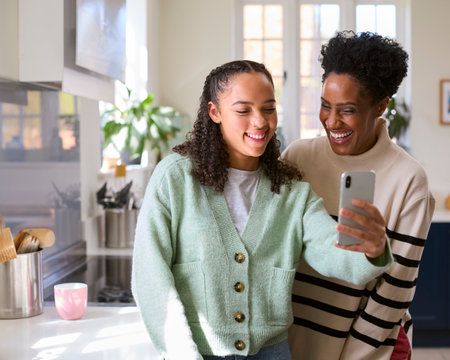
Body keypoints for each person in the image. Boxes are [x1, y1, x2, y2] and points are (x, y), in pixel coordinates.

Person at [131, 59, 392, 359]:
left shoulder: (292, 192)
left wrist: (371, 250)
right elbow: (150, 277)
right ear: (214, 112)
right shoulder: (175, 178)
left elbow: (332, 252)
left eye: (268, 108)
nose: (260, 121)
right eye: (243, 110)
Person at [282, 31, 435, 360]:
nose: (332, 121)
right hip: (292, 345)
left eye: (347, 110)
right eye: (325, 105)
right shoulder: (297, 158)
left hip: (366, 351)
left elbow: (395, 291)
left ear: (380, 106)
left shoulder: (408, 179)